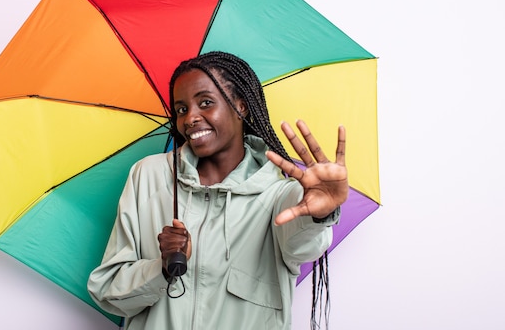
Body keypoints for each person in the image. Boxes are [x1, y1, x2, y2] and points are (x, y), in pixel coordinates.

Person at [88, 51, 348, 330]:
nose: (190, 119)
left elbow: (304, 245)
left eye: (206, 103)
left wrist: (320, 214)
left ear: (242, 105)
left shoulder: (279, 194)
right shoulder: (148, 176)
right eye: (181, 109)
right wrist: (161, 269)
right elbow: (107, 291)